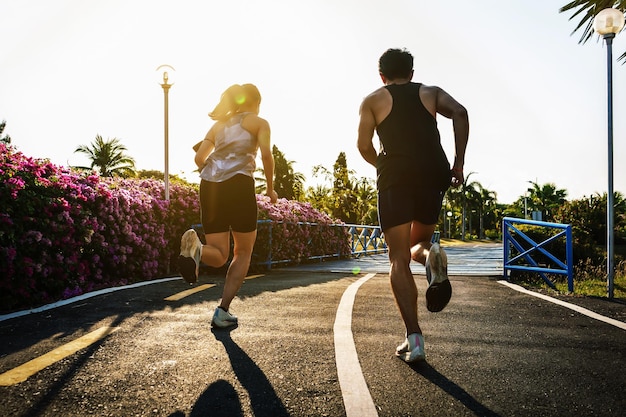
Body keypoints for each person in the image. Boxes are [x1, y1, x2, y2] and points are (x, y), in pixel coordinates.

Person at [357, 48, 469, 363]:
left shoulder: (373, 100)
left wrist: (381, 163)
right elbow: (460, 113)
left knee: (397, 258)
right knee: (418, 242)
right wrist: (458, 164)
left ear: (382, 75)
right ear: (412, 71)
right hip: (433, 172)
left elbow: (363, 145)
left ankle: (414, 338)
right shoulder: (430, 93)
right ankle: (431, 254)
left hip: (396, 175)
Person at [179, 83, 278, 329]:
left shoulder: (217, 126)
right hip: (239, 184)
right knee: (242, 251)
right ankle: (222, 310)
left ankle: (197, 250)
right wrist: (270, 187)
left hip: (210, 186)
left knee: (219, 253)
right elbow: (266, 155)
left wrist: (214, 169)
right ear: (256, 103)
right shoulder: (259, 122)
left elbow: (199, 158)